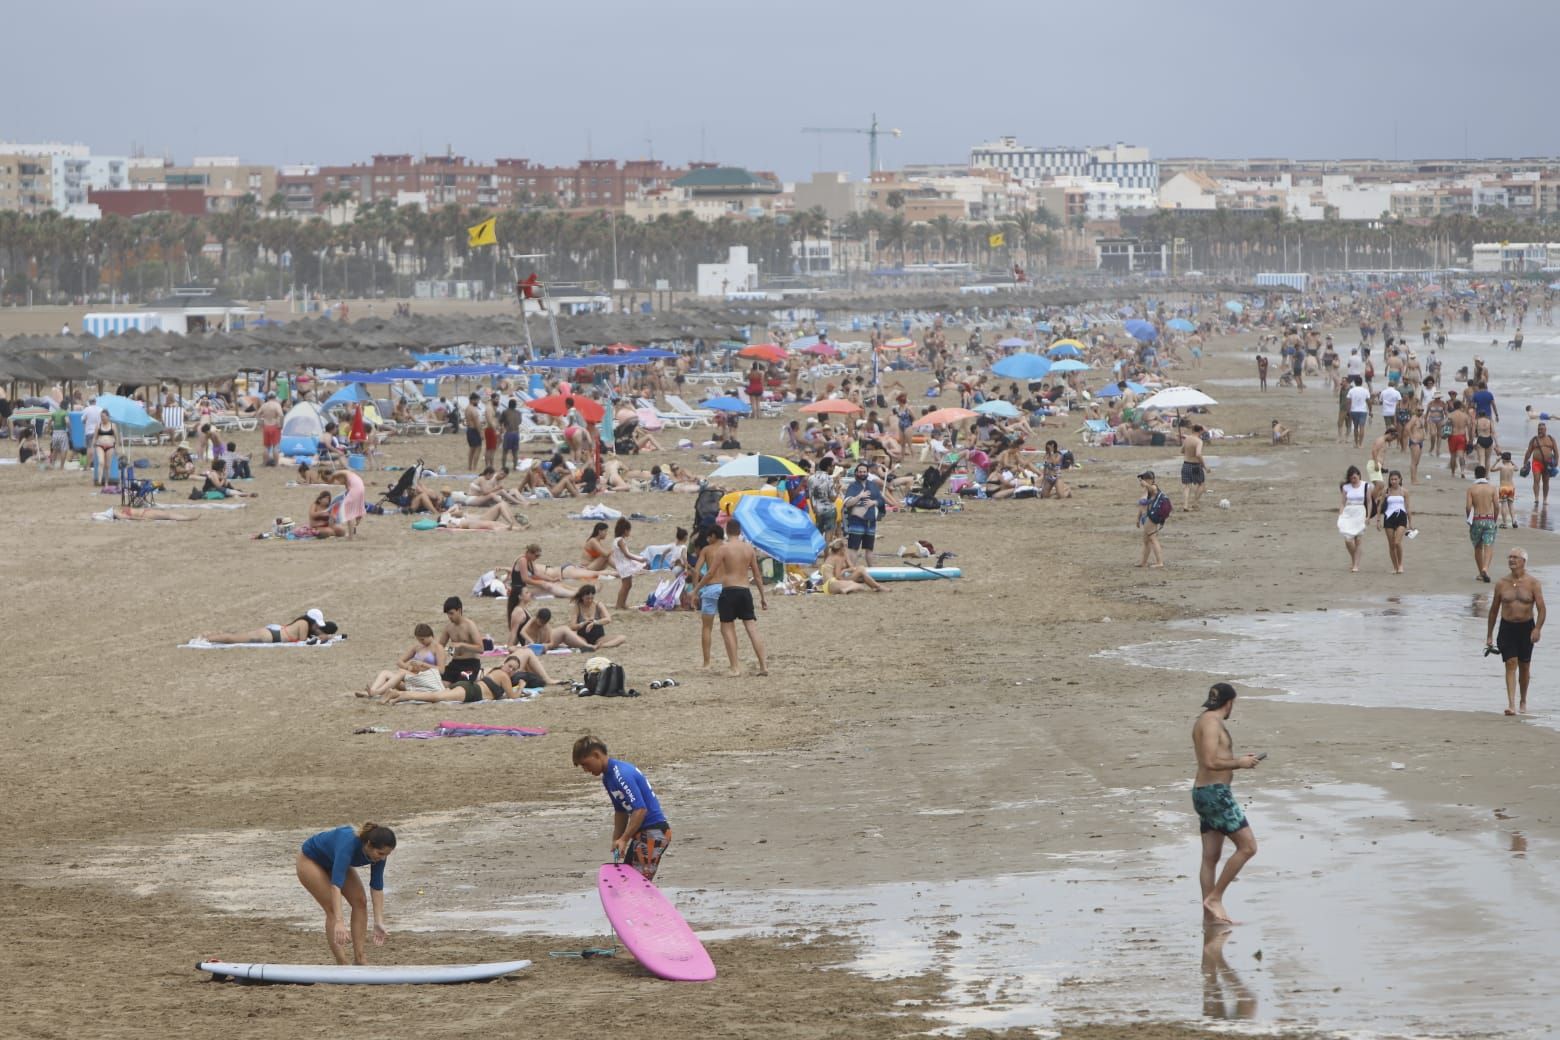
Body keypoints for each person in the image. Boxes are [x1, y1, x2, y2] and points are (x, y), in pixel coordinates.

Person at [1191, 682, 1260, 926]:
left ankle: (1210, 918)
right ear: (1230, 703)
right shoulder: (1211, 722)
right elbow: (1210, 761)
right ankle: (1215, 899)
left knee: (1210, 857)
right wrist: (1239, 763)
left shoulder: (1204, 720)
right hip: (1215, 794)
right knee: (1248, 847)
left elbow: (1213, 757)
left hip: (1204, 793)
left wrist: (1240, 760)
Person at [573, 735, 671, 881]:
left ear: (596, 755)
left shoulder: (621, 774)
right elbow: (620, 812)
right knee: (628, 879)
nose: (586, 770)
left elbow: (640, 810)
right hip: (643, 834)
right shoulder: (608, 777)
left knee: (636, 884)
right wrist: (617, 839)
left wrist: (624, 839)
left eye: (586, 764)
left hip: (653, 833)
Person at [296, 822, 395, 965]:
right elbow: (336, 886)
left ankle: (360, 959)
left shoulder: (380, 855)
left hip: (333, 861)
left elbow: (377, 886)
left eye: (387, 854)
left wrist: (378, 921)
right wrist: (339, 922)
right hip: (310, 860)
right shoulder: (348, 844)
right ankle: (342, 963)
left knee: (360, 901)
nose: (383, 858)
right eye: (380, 853)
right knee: (332, 908)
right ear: (368, 845)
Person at [694, 517, 768, 676]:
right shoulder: (749, 549)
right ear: (740, 531)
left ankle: (735, 668)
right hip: (745, 590)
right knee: (751, 627)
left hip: (728, 590)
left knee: (727, 627)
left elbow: (710, 573)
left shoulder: (724, 549)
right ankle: (763, 666)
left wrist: (696, 589)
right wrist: (763, 597)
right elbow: (757, 575)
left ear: (727, 532)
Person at [1486, 547, 1545, 717]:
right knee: (1510, 663)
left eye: (1515, 557)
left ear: (1523, 561)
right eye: (1509, 557)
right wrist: (1489, 635)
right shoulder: (1501, 583)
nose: (1511, 560)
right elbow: (1493, 610)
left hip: (1526, 628)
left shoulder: (1533, 583)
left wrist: (1537, 629)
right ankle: (1511, 704)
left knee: (1524, 667)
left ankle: (1523, 700)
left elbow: (1541, 609)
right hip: (1507, 627)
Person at [360, 623, 448, 700]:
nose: (421, 642)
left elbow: (441, 670)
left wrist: (423, 665)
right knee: (385, 673)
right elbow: (399, 661)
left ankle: (377, 692)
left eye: (422, 639)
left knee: (401, 672)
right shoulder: (418, 647)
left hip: (427, 680)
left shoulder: (438, 648)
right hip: (413, 678)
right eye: (418, 639)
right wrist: (408, 667)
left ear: (430, 636)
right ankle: (372, 691)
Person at [203, 608, 338, 644]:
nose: (316, 627)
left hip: (271, 634)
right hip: (269, 636)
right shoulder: (303, 624)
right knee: (234, 639)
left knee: (236, 637)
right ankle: (207, 639)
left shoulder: (303, 623)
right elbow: (303, 642)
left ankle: (211, 635)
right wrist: (321, 637)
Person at [843, 461, 885, 566]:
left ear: (867, 473)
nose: (862, 473)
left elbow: (881, 500)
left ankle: (873, 570)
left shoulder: (873, 485)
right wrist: (859, 496)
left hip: (870, 521)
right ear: (856, 473)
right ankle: (852, 569)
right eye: (860, 472)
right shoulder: (853, 486)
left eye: (864, 472)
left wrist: (873, 502)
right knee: (853, 548)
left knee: (869, 548)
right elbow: (847, 503)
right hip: (857, 521)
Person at [439, 597, 485, 684]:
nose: (449, 617)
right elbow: (440, 646)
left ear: (459, 610)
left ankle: (477, 676)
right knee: (440, 683)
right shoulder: (449, 627)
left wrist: (462, 645)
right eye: (448, 614)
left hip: (470, 663)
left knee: (461, 685)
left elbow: (481, 649)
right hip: (455, 663)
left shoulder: (470, 625)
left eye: (451, 613)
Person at [1467, 465, 1500, 582]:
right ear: (1485, 474)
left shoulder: (1472, 489)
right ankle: (1485, 568)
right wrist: (1494, 519)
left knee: (1477, 546)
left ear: (1475, 475)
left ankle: (1481, 572)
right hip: (1489, 519)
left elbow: (1468, 507)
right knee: (1488, 545)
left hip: (1477, 518)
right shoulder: (1492, 488)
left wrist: (1469, 520)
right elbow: (1496, 506)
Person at [569, 584, 627, 649]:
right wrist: (583, 623)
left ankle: (602, 646)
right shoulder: (577, 606)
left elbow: (608, 619)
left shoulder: (598, 604)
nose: (590, 600)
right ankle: (587, 645)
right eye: (587, 598)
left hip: (599, 638)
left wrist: (595, 622)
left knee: (622, 638)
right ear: (582, 597)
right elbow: (572, 626)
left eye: (592, 598)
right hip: (583, 638)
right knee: (569, 640)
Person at [1377, 470, 1411, 574]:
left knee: (1397, 542)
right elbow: (1380, 506)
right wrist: (1378, 520)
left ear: (1400, 479)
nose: (1394, 481)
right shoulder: (1386, 491)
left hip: (1401, 517)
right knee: (1391, 545)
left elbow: (1408, 507)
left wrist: (1411, 522)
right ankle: (1395, 567)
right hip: (1389, 518)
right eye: (1392, 479)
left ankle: (1400, 564)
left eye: (1396, 479)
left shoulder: (1404, 491)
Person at [610, 517, 648, 610]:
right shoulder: (620, 541)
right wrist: (639, 559)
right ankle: (619, 604)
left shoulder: (616, 540)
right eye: (629, 530)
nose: (629, 532)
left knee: (627, 584)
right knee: (625, 585)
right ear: (625, 530)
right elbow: (627, 554)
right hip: (624, 565)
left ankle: (622, 603)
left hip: (622, 564)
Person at [1337, 465, 1369, 572]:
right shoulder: (1346, 487)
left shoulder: (1365, 486)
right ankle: (1355, 557)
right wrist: (1341, 515)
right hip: (1349, 512)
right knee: (1348, 540)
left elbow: (1369, 502)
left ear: (1359, 475)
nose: (1353, 480)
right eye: (1351, 478)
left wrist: (1368, 516)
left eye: (1355, 477)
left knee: (1358, 539)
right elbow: (1342, 502)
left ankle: (1356, 565)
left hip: (1360, 511)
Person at [1137, 470, 1166, 569]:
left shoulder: (1153, 487)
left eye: (1144, 479)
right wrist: (1138, 518)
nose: (1141, 482)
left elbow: (1154, 490)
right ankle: (1143, 562)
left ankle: (1160, 562)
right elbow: (1141, 505)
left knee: (1153, 539)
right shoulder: (1145, 490)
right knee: (1146, 541)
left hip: (1151, 517)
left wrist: (1146, 485)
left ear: (1150, 480)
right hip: (1145, 517)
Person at [1524, 422, 1558, 505]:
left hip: (1548, 464)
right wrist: (1525, 463)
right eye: (1538, 429)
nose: (1540, 431)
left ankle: (1545, 499)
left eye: (1541, 429)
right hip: (1536, 463)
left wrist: (1556, 462)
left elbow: (1556, 452)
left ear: (1545, 430)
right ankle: (1536, 499)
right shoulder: (1534, 440)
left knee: (1546, 481)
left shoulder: (1551, 439)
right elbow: (1528, 452)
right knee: (1536, 480)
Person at [326, 467, 366, 538]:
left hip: (356, 489)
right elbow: (347, 489)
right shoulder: (348, 477)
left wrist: (328, 480)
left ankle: (351, 537)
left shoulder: (339, 473)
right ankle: (356, 521)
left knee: (349, 513)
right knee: (337, 501)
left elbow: (331, 478)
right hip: (360, 488)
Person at [1180, 423, 1207, 511]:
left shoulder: (1187, 439)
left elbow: (1182, 450)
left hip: (1185, 464)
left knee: (1186, 486)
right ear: (1200, 431)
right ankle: (1195, 503)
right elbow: (1198, 454)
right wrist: (1205, 466)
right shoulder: (1199, 441)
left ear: (1192, 430)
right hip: (1195, 466)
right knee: (1201, 484)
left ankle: (1185, 505)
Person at [1345, 376, 1370, 449]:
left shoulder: (1351, 390)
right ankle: (1360, 444)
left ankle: (1356, 443)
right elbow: (1368, 401)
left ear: (1355, 382)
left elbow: (1348, 401)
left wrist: (1348, 411)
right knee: (1362, 427)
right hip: (1363, 411)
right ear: (1362, 382)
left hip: (1354, 410)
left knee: (1355, 427)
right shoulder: (1365, 390)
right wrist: (1370, 410)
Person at [1496, 452, 1519, 528]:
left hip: (1503, 488)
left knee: (1503, 505)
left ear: (1503, 459)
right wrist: (1511, 461)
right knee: (1511, 505)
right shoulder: (1512, 467)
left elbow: (1491, 469)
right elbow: (1517, 468)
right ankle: (1514, 521)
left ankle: (1504, 523)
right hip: (1511, 487)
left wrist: (1496, 461)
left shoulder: (1501, 467)